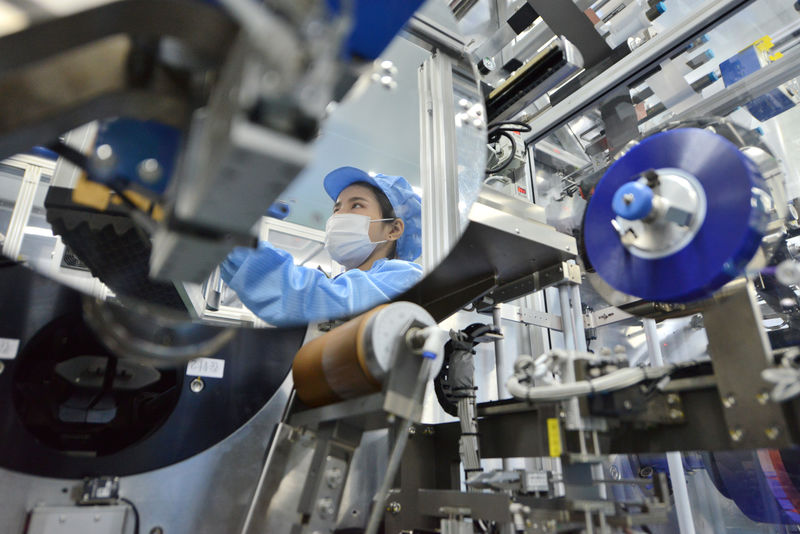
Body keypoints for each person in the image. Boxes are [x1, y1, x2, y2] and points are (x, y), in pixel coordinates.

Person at [220, 166, 423, 325]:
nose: (339, 215)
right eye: (337, 207)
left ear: (394, 229)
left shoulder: (405, 279)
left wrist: (231, 233)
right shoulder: (343, 283)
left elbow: (302, 296)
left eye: (357, 205)